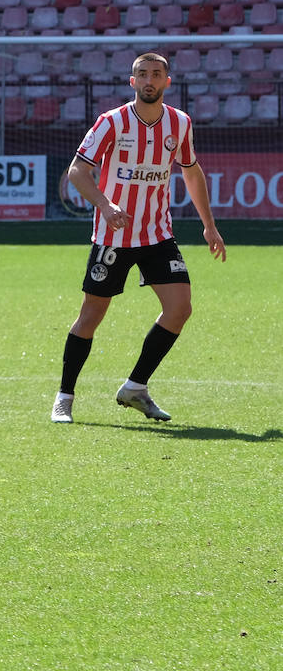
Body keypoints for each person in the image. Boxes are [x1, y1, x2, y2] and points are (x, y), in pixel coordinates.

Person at [51, 52, 226, 423]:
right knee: (91, 316)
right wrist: (106, 205)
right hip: (112, 236)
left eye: (156, 74)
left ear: (167, 81)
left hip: (157, 233)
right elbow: (77, 172)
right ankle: (64, 396)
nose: (149, 80)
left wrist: (208, 225)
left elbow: (192, 173)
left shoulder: (180, 123)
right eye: (142, 74)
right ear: (132, 82)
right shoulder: (111, 122)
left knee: (180, 308)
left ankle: (135, 387)